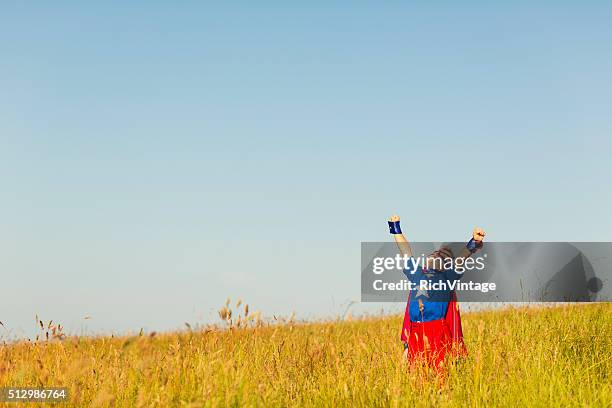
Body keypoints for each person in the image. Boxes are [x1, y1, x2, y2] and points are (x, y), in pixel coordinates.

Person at [387, 214, 485, 368]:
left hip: (438, 331)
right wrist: (395, 228)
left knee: (439, 375)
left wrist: (473, 243)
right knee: (416, 378)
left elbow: (461, 258)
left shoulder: (448, 278)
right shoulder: (417, 274)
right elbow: (405, 251)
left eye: (443, 256)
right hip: (416, 331)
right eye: (434, 255)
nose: (437, 256)